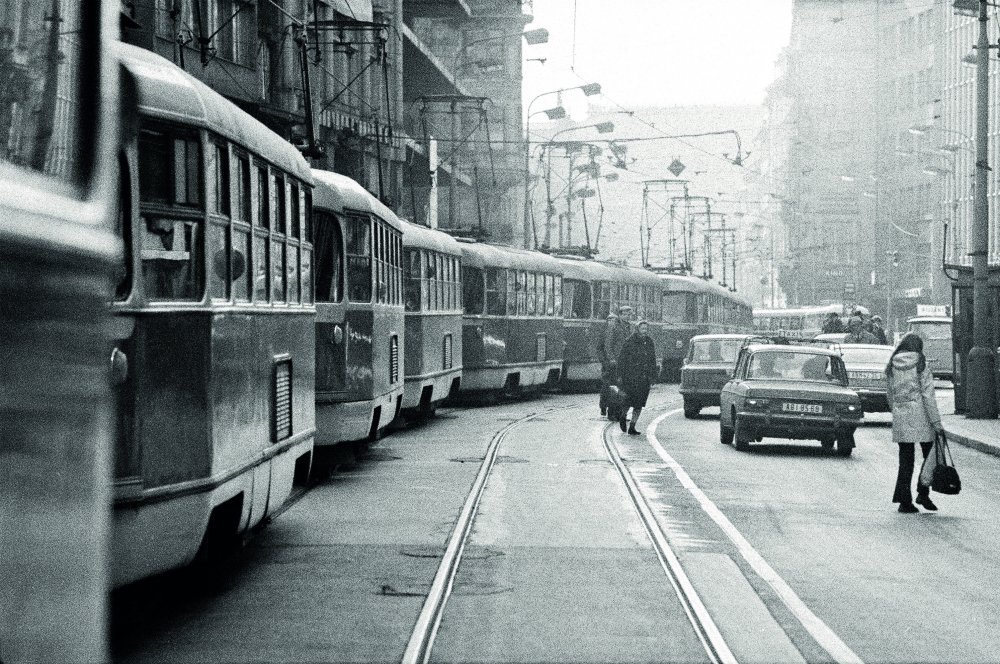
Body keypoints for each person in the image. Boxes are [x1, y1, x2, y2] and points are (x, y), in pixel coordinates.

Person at [886, 333, 944, 513]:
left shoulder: (891, 365)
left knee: (905, 461)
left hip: (901, 415)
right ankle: (923, 492)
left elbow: (890, 395)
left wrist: (895, 411)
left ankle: (904, 501)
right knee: (929, 456)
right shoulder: (921, 364)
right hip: (922, 416)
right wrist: (936, 422)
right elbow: (928, 396)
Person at [617, 320, 658, 435]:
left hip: (644, 379)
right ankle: (623, 416)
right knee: (628, 402)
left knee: (639, 404)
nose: (644, 331)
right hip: (630, 378)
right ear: (637, 329)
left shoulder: (649, 342)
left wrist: (653, 376)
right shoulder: (629, 342)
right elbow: (622, 360)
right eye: (642, 329)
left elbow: (652, 359)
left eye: (646, 329)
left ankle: (632, 426)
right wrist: (620, 375)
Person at [603, 306, 634, 420]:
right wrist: (611, 358)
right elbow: (608, 344)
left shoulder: (629, 327)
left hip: (626, 362)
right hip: (616, 361)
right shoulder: (614, 326)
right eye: (625, 314)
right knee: (614, 388)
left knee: (624, 388)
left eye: (629, 315)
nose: (627, 316)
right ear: (620, 315)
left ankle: (621, 413)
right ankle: (612, 413)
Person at [598, 313, 618, 416]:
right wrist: (604, 361)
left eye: (613, 321)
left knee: (614, 387)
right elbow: (600, 349)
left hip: (615, 364)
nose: (611, 323)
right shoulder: (604, 333)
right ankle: (603, 407)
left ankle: (611, 407)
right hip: (607, 365)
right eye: (609, 320)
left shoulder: (618, 333)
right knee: (606, 386)